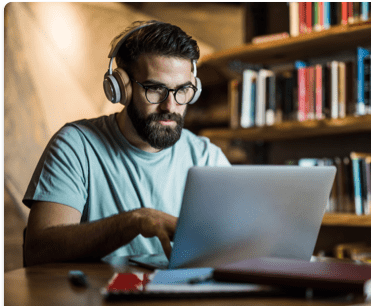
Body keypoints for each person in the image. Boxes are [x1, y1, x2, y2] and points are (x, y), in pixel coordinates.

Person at [22, 20, 230, 267]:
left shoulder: (207, 157)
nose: (170, 106)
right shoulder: (75, 146)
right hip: (99, 300)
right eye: (155, 89)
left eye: (182, 90)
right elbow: (38, 249)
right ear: (121, 89)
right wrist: (135, 221)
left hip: (183, 301)